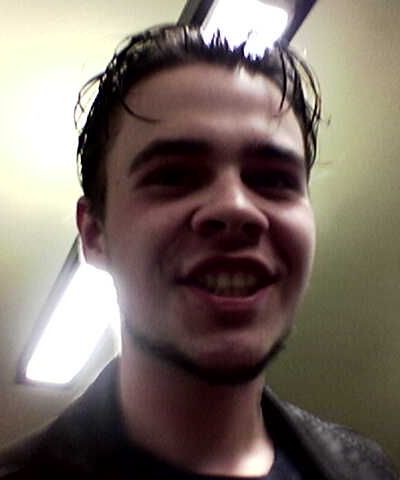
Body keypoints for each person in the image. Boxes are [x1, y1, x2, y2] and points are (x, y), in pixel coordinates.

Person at [0, 24, 398, 479]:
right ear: (94, 235)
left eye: (273, 179)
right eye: (174, 176)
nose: (236, 207)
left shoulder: (368, 469)